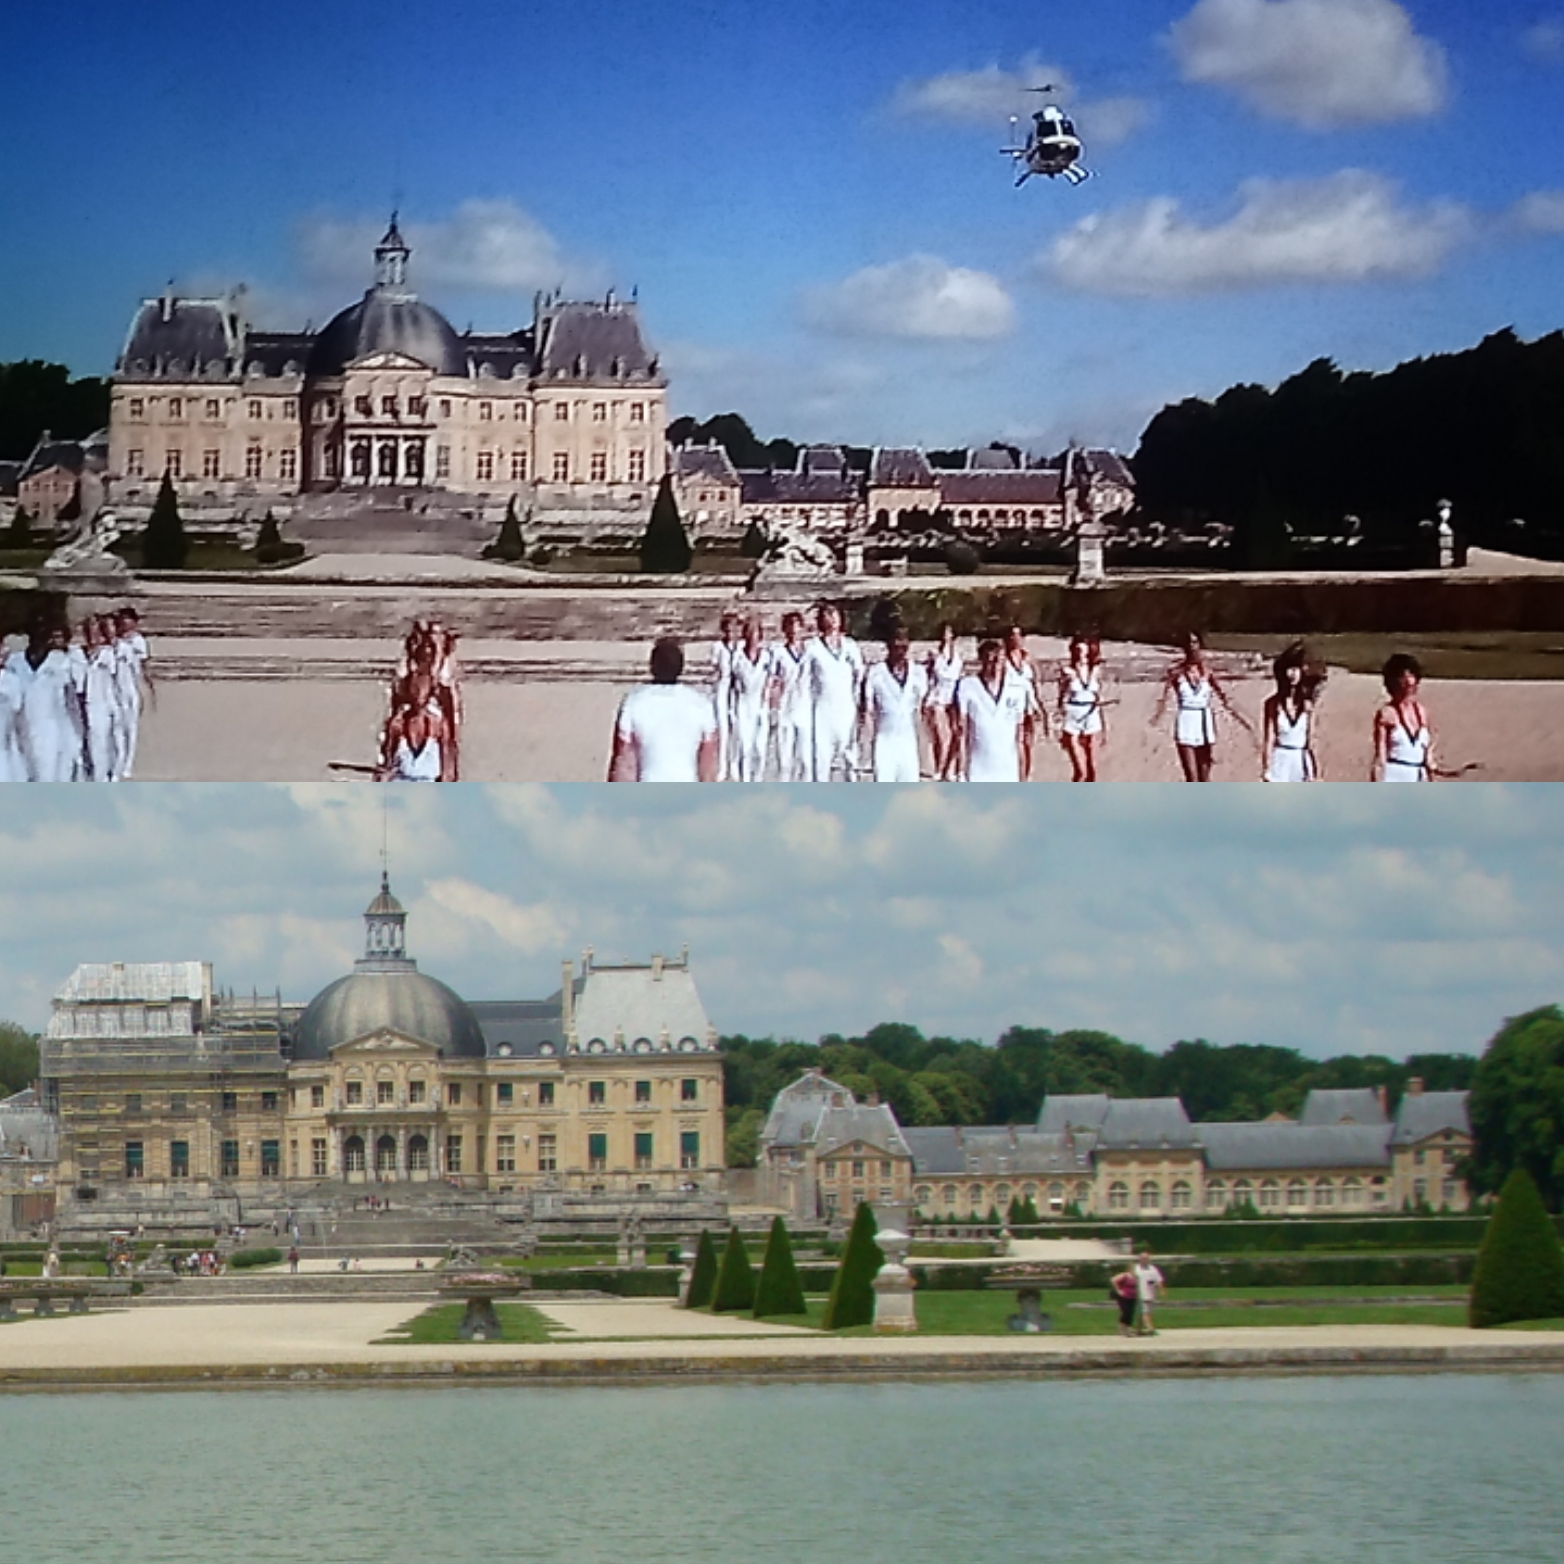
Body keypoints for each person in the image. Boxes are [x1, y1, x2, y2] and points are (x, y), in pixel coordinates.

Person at [609, 637, 720, 782]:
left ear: (652, 666)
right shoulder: (701, 704)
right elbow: (707, 765)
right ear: (681, 667)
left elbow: (625, 762)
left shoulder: (634, 702)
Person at [1152, 630, 1251, 782]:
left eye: (1195, 642)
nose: (1192, 647)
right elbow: (1163, 698)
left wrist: (1243, 718)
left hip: (1204, 721)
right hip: (1186, 721)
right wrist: (1156, 717)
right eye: (1189, 643)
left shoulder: (1208, 672)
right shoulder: (1176, 672)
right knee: (1191, 777)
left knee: (1205, 776)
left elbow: (1224, 697)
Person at [952, 637, 1035, 782]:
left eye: (999, 660)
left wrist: (1023, 776)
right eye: (990, 660)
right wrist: (960, 770)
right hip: (977, 769)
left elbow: (1020, 738)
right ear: (982, 661)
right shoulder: (967, 686)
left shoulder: (1017, 690)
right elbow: (961, 732)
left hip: (1008, 769)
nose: (995, 665)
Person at [803, 602, 865, 782]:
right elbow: (805, 677)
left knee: (850, 757)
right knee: (821, 759)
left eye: (835, 615)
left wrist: (860, 703)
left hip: (846, 707)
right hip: (822, 710)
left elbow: (859, 674)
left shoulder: (850, 646)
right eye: (828, 615)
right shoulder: (813, 647)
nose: (832, 619)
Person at [862, 626, 928, 782]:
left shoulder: (918, 673)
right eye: (896, 643)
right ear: (888, 645)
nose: (899, 648)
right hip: (885, 740)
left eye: (903, 643)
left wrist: (924, 748)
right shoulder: (876, 672)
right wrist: (867, 745)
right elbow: (869, 711)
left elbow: (922, 710)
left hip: (908, 740)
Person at [1262, 642, 1324, 782]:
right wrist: (1266, 768)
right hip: (1280, 760)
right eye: (1289, 668)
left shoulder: (1308, 706)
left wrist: (1314, 771)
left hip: (1300, 760)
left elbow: (1311, 741)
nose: (1292, 673)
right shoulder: (1273, 704)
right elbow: (1269, 739)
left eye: (1296, 668)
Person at [1373, 653, 1437, 782]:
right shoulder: (1387, 714)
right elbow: (1380, 757)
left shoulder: (1423, 712)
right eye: (1402, 678)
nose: (1409, 682)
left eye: (1411, 676)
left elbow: (1428, 747)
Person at [727, 616, 774, 782]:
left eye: (756, 632)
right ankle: (745, 780)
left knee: (760, 749)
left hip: (760, 705)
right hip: (743, 704)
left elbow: (771, 680)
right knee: (745, 748)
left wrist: (768, 703)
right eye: (750, 631)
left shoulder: (767, 657)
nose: (753, 635)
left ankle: (758, 778)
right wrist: (731, 708)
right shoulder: (737, 657)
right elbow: (731, 683)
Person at [377, 673, 448, 781]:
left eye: (422, 696)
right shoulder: (398, 724)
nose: (418, 699)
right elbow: (388, 759)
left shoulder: (437, 724)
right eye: (415, 694)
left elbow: (447, 755)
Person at [1056, 634, 1107, 782]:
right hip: (1073, 715)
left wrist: (1103, 726)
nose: (1080, 654)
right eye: (1077, 650)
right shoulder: (1067, 671)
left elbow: (1098, 696)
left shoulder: (1096, 670)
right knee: (1080, 772)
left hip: (1092, 714)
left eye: (1083, 650)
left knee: (1093, 769)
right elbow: (1061, 697)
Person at [769, 611, 811, 782]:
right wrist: (773, 707)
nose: (794, 632)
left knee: (806, 760)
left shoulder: (811, 652)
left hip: (805, 709)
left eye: (797, 627)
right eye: (790, 628)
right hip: (786, 709)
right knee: (785, 761)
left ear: (802, 629)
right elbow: (773, 681)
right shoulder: (778, 653)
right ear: (785, 630)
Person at [112, 607, 152, 780]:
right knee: (117, 726)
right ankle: (118, 760)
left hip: (131, 686)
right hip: (115, 687)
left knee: (130, 727)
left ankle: (128, 763)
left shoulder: (138, 641)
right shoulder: (115, 642)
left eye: (128, 619)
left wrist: (147, 688)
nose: (125, 623)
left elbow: (144, 666)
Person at [1003, 624, 1046, 779]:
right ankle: (1018, 776)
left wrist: (1039, 706)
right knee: (1016, 744)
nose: (1016, 639)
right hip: (1011, 706)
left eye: (1019, 635)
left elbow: (1035, 683)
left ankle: (1026, 776)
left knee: (1028, 744)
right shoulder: (1003, 660)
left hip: (1028, 705)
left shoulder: (1028, 659)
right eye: (1013, 635)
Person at [923, 621, 963, 780]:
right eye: (943, 632)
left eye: (948, 632)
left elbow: (959, 676)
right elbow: (930, 678)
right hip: (937, 697)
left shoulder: (958, 655)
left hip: (953, 698)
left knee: (957, 735)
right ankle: (939, 769)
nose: (945, 635)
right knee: (940, 737)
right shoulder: (935, 655)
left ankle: (951, 769)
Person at [708, 611, 741, 781]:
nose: (730, 634)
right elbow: (715, 669)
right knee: (723, 728)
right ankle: (722, 766)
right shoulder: (718, 647)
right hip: (723, 686)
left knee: (736, 727)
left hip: (738, 689)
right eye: (727, 630)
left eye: (733, 630)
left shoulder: (741, 647)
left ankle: (734, 765)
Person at [1132, 1249, 1166, 1335]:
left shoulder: (1153, 1269)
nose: (1144, 1260)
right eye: (1143, 1258)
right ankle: (1150, 1328)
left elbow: (1158, 1280)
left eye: (1146, 1258)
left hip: (1150, 1293)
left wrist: (1161, 1290)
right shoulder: (1136, 1268)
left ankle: (1138, 1330)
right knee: (1145, 1311)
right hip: (1140, 1293)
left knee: (1145, 1312)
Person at [1109, 1263, 1139, 1337]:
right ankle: (1121, 1328)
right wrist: (1118, 1290)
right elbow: (1113, 1280)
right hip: (1124, 1296)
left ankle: (1128, 1329)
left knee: (1130, 1313)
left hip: (1132, 1297)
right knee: (1125, 1312)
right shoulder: (1124, 1275)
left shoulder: (1135, 1277)